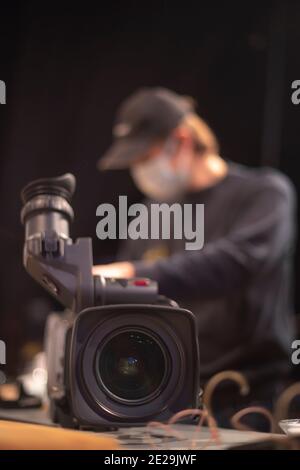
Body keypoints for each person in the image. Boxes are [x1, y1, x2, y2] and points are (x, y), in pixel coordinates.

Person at [94, 87, 297, 428]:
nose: (139, 170)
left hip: (248, 400)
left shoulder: (264, 194)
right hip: (166, 399)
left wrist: (131, 271)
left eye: (145, 157)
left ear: (182, 141)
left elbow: (235, 263)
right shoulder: (150, 216)